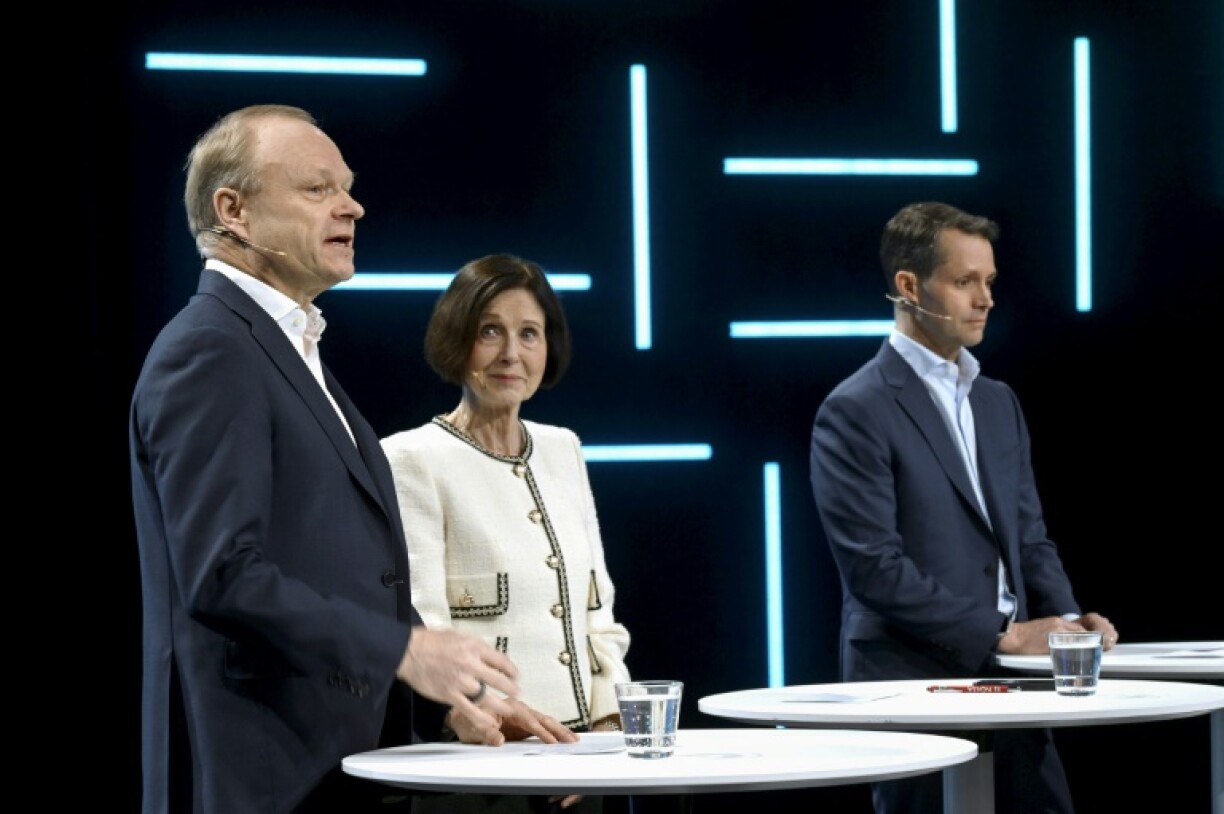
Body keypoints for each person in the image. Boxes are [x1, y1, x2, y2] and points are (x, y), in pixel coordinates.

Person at [130, 105, 574, 814]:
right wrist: (404, 650)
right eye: (317, 189)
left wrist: (453, 703)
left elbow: (339, 571)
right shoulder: (210, 350)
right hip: (258, 780)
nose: (352, 207)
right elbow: (222, 575)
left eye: (347, 187)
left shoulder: (286, 348)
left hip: (334, 769)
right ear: (233, 211)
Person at [808, 201, 1119, 814]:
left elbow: (1028, 538)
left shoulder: (997, 402)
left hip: (1017, 686)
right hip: (913, 683)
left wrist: (1068, 626)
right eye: (965, 281)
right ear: (909, 286)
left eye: (990, 281)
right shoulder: (856, 408)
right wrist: (1005, 634)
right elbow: (874, 569)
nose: (986, 299)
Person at [381, 253, 633, 813]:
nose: (511, 354)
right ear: (457, 339)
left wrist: (607, 727)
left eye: (529, 334)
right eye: (490, 331)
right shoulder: (412, 458)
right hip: (479, 762)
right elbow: (423, 623)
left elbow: (598, 611)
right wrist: (477, 712)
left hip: (580, 763)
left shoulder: (564, 448)